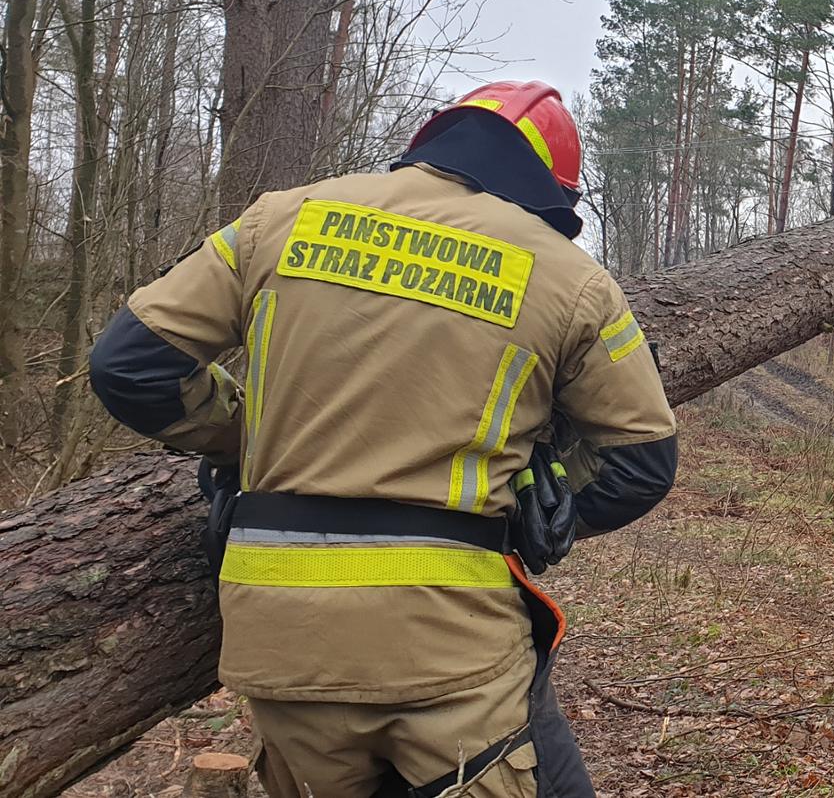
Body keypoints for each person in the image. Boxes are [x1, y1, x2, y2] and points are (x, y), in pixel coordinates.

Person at [88, 80, 677, 797]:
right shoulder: (569, 277)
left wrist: (252, 437)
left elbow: (130, 366)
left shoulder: (281, 218)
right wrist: (544, 506)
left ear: (431, 144)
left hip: (279, 641)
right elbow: (641, 458)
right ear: (553, 194)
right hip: (449, 651)